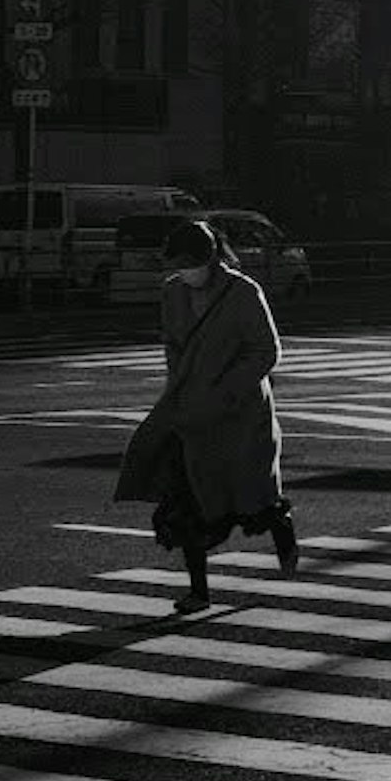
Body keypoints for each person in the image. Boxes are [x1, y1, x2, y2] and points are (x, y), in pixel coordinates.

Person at [111, 218, 296, 614]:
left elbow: (266, 350)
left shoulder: (243, 292)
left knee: (246, 499)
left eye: (188, 264)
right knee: (187, 501)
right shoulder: (173, 293)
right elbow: (172, 345)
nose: (184, 273)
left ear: (209, 258)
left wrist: (227, 387)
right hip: (190, 413)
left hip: (239, 413)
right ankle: (199, 592)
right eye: (177, 265)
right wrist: (177, 389)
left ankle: (278, 523)